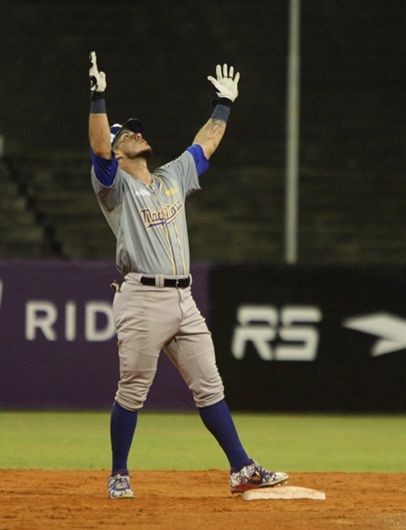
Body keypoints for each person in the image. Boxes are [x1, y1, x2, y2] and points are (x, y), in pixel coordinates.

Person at [87, 51, 289, 498]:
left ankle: (242, 468)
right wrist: (98, 100)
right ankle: (119, 474)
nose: (136, 133)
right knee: (134, 388)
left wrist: (224, 104)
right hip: (142, 296)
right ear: (119, 153)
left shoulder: (171, 175)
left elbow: (206, 144)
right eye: (128, 132)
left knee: (209, 385)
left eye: (136, 128)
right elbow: (100, 147)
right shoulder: (114, 186)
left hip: (183, 299)